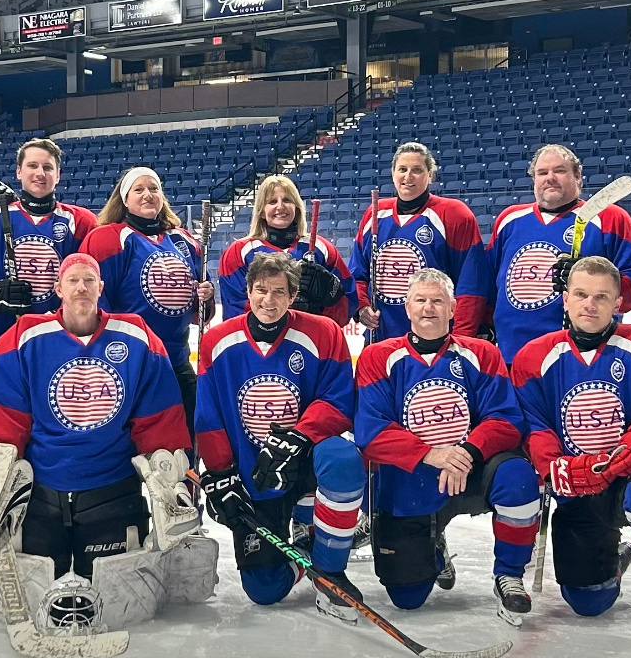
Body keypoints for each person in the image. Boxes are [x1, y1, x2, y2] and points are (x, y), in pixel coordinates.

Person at [0, 254, 197, 587]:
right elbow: (0, 418)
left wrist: (172, 483)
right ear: (58, 288)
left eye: (89, 280)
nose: (81, 288)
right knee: (38, 593)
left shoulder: (138, 336)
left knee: (114, 596)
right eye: (72, 281)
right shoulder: (23, 337)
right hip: (39, 494)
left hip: (112, 492)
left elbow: (159, 419)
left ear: (101, 287)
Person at [511, 256, 631, 625]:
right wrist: (554, 466)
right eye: (581, 294)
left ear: (618, 303)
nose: (590, 304)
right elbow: (533, 423)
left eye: (601, 296)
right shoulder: (534, 356)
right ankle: (617, 559)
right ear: (565, 299)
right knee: (588, 603)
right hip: (579, 482)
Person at [353, 268, 540, 610]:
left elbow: (506, 419)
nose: (429, 308)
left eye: (438, 301)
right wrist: (433, 454)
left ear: (453, 308)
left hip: (470, 470)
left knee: (518, 477)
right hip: (410, 479)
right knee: (407, 598)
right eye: (420, 300)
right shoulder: (377, 357)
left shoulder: (482, 353)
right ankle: (432, 546)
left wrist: (466, 451)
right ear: (407, 308)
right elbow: (370, 431)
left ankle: (509, 573)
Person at [195, 252, 365, 619]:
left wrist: (299, 436)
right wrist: (221, 474)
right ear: (248, 292)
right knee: (264, 589)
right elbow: (208, 417)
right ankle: (306, 553)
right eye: (261, 290)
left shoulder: (324, 332)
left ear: (293, 296)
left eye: (278, 292)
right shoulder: (218, 341)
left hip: (306, 459)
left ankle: (330, 571)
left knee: (344, 460)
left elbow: (339, 401)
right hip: (257, 472)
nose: (268, 301)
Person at [486, 143, 631, 365]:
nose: (550, 178)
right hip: (512, 352)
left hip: (583, 354)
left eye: (560, 171)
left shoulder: (610, 218)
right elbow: (488, 283)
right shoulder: (509, 220)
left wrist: (592, 277)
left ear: (578, 177)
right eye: (542, 173)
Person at [82, 167, 213, 429]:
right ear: (124, 199)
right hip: (129, 363)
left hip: (177, 359)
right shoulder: (107, 238)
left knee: (189, 432)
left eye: (154, 189)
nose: (148, 195)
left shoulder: (184, 240)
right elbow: (95, 304)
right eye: (138, 189)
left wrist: (206, 297)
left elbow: (201, 310)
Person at [0, 136, 97, 356]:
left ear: (58, 175)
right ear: (19, 172)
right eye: (32, 166)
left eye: (47, 168)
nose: (40, 173)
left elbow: (94, 282)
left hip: (65, 343)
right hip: (4, 344)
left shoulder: (82, 222)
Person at [350, 142, 490, 343]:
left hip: (437, 340)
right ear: (393, 173)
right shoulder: (375, 213)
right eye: (402, 169)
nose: (408, 177)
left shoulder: (454, 214)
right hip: (381, 337)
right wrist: (361, 305)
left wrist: (461, 339)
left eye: (417, 170)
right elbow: (357, 272)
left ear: (430, 175)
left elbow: (472, 285)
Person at [217, 175, 355, 325]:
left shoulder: (322, 249)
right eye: (272, 202)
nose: (280, 206)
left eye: (287, 200)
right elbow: (234, 314)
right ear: (261, 211)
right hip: (261, 340)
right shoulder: (238, 253)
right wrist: (281, 313)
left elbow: (346, 309)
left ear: (297, 207)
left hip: (311, 336)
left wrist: (330, 298)